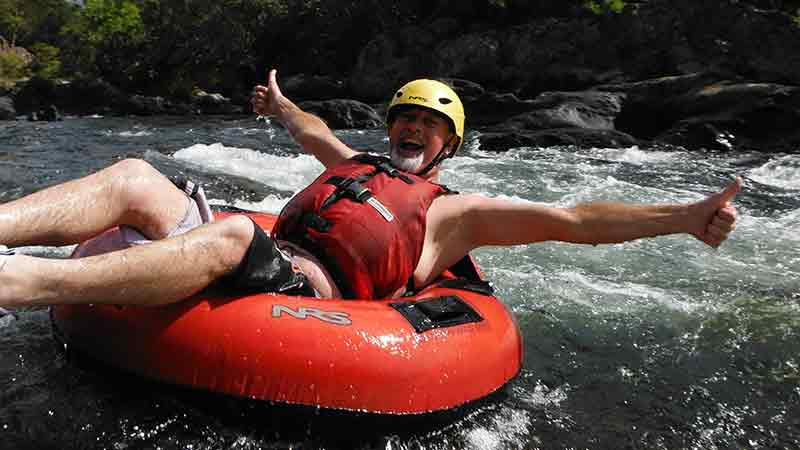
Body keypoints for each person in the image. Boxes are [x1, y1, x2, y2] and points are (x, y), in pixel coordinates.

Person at [0, 69, 740, 307]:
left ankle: (17, 286)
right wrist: (282, 106)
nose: (411, 130)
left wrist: (681, 217)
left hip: (302, 289)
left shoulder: (459, 214)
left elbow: (577, 218)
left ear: (448, 144)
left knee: (232, 233)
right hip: (257, 252)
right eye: (404, 119)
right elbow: (311, 133)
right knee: (135, 175)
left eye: (428, 124)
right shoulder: (356, 164)